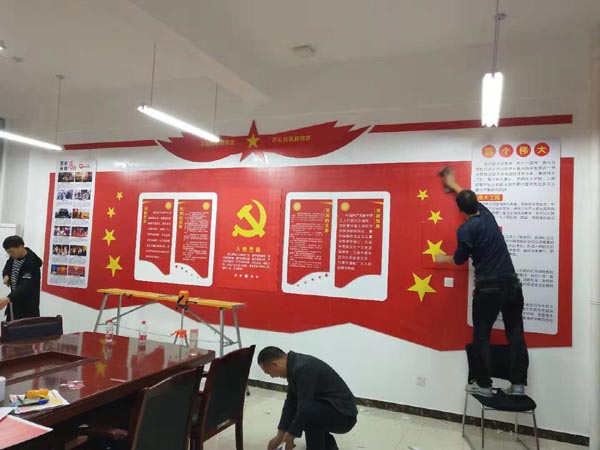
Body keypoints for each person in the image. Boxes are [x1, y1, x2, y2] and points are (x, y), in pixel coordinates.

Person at [434, 168, 529, 397]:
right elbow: (468, 198)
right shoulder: (487, 215)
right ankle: (518, 385)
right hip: (512, 286)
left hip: (489, 289)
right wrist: (453, 183)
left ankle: (484, 385)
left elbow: (459, 259)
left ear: (460, 210)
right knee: (516, 333)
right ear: (476, 203)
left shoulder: (466, 229)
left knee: (482, 335)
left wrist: (440, 258)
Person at [258, 347, 358, 450]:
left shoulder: (304, 369)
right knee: (307, 411)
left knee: (308, 414)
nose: (272, 376)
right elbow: (291, 403)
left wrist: (290, 436)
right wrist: (279, 436)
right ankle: (329, 446)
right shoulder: (294, 366)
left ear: (274, 364)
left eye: (269, 373)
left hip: (344, 416)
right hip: (333, 409)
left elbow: (305, 408)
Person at [0, 236, 43, 320]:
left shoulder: (32, 262)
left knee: (24, 327)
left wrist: (8, 298)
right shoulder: (14, 257)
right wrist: (6, 275)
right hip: (14, 302)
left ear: (20, 247)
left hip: (28, 307)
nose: (10, 254)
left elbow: (25, 285)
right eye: (8, 252)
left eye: (11, 251)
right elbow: (8, 266)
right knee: (10, 326)